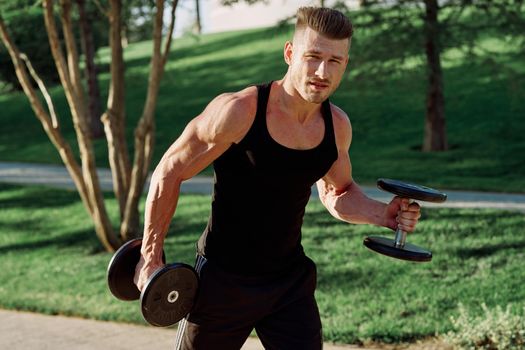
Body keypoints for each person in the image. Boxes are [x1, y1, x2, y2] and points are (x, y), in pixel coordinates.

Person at [134, 6, 421, 350]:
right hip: (223, 281)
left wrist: (381, 214)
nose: (321, 71)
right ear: (289, 53)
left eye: (334, 61)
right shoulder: (239, 112)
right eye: (313, 56)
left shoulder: (336, 126)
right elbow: (169, 170)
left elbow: (338, 191)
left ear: (346, 63)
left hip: (288, 284)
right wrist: (150, 257)